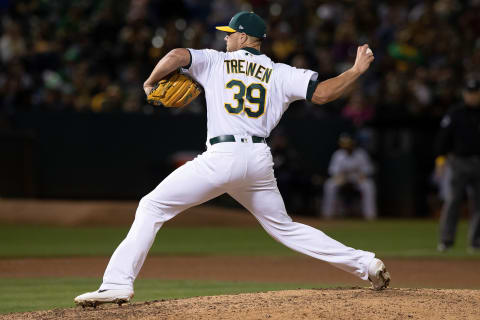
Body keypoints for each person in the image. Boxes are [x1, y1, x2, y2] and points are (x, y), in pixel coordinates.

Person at [74, 11, 390, 307]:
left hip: (222, 156)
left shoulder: (215, 61)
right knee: (285, 228)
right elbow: (321, 94)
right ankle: (365, 263)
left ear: (242, 37)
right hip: (257, 159)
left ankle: (116, 283)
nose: (225, 39)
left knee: (152, 206)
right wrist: (355, 70)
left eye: (229, 34)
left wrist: (149, 83)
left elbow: (176, 56)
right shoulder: (281, 72)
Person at [435, 76, 480, 253]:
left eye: (475, 93)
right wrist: (440, 159)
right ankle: (446, 240)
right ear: (464, 94)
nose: (472, 96)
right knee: (453, 201)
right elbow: (442, 139)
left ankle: (476, 242)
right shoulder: (455, 112)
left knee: (479, 204)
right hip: (459, 162)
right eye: (469, 93)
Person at [322, 133, 377, 220]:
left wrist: (363, 175)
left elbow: (369, 168)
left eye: (348, 144)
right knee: (329, 185)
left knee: (368, 185)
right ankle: (328, 214)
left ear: (353, 144)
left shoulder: (361, 154)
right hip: (342, 178)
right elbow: (332, 170)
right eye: (345, 144)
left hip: (357, 178)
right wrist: (338, 176)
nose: (347, 147)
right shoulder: (338, 154)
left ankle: (370, 215)